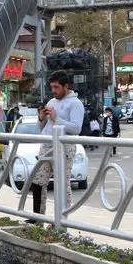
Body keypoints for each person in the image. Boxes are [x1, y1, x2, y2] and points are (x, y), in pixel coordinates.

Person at [30, 70, 84, 218]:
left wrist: (56, 119)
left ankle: (61, 221)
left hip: (64, 147)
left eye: (56, 87)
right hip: (46, 145)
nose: (53, 90)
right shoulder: (51, 102)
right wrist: (41, 118)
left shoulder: (75, 103)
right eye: (52, 87)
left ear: (66, 86)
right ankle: (37, 218)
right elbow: (43, 127)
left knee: (62, 184)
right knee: (37, 181)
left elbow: (76, 128)